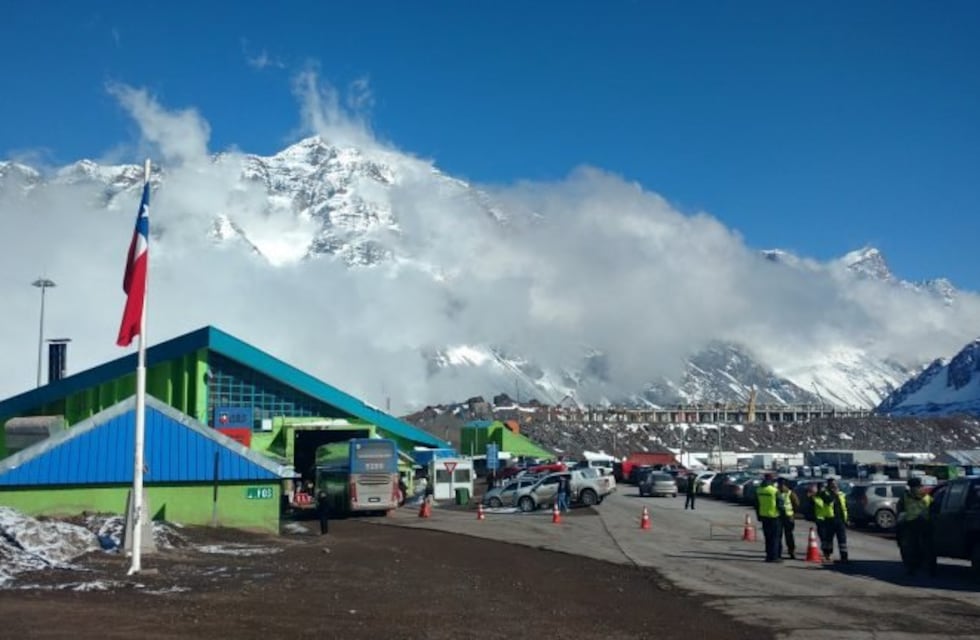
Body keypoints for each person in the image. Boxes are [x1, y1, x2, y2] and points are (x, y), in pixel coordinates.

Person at [896, 476, 934, 575]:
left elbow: (900, 509)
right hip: (925, 523)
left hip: (911, 523)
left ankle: (912, 568)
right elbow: (934, 507)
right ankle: (930, 568)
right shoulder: (926, 496)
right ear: (920, 486)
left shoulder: (905, 496)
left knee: (911, 547)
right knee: (927, 547)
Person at [820, 479, 849, 563]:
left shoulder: (841, 494)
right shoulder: (825, 493)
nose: (834, 486)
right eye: (832, 484)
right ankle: (827, 555)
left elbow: (845, 507)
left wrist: (847, 519)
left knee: (842, 539)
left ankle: (844, 557)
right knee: (828, 539)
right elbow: (828, 500)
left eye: (835, 484)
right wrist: (833, 493)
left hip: (840, 520)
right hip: (830, 519)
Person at [756, 473, 782, 562]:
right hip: (774, 516)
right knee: (775, 538)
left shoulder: (759, 490)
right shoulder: (774, 490)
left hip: (764, 516)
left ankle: (768, 556)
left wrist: (758, 516)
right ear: (771, 480)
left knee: (767, 537)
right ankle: (774, 557)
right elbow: (780, 505)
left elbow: (757, 504)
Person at [776, 478, 798, 559]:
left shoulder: (777, 492)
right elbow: (796, 503)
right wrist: (793, 512)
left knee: (779, 535)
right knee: (789, 535)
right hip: (788, 516)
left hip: (780, 517)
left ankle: (779, 552)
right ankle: (791, 552)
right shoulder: (789, 492)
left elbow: (796, 503)